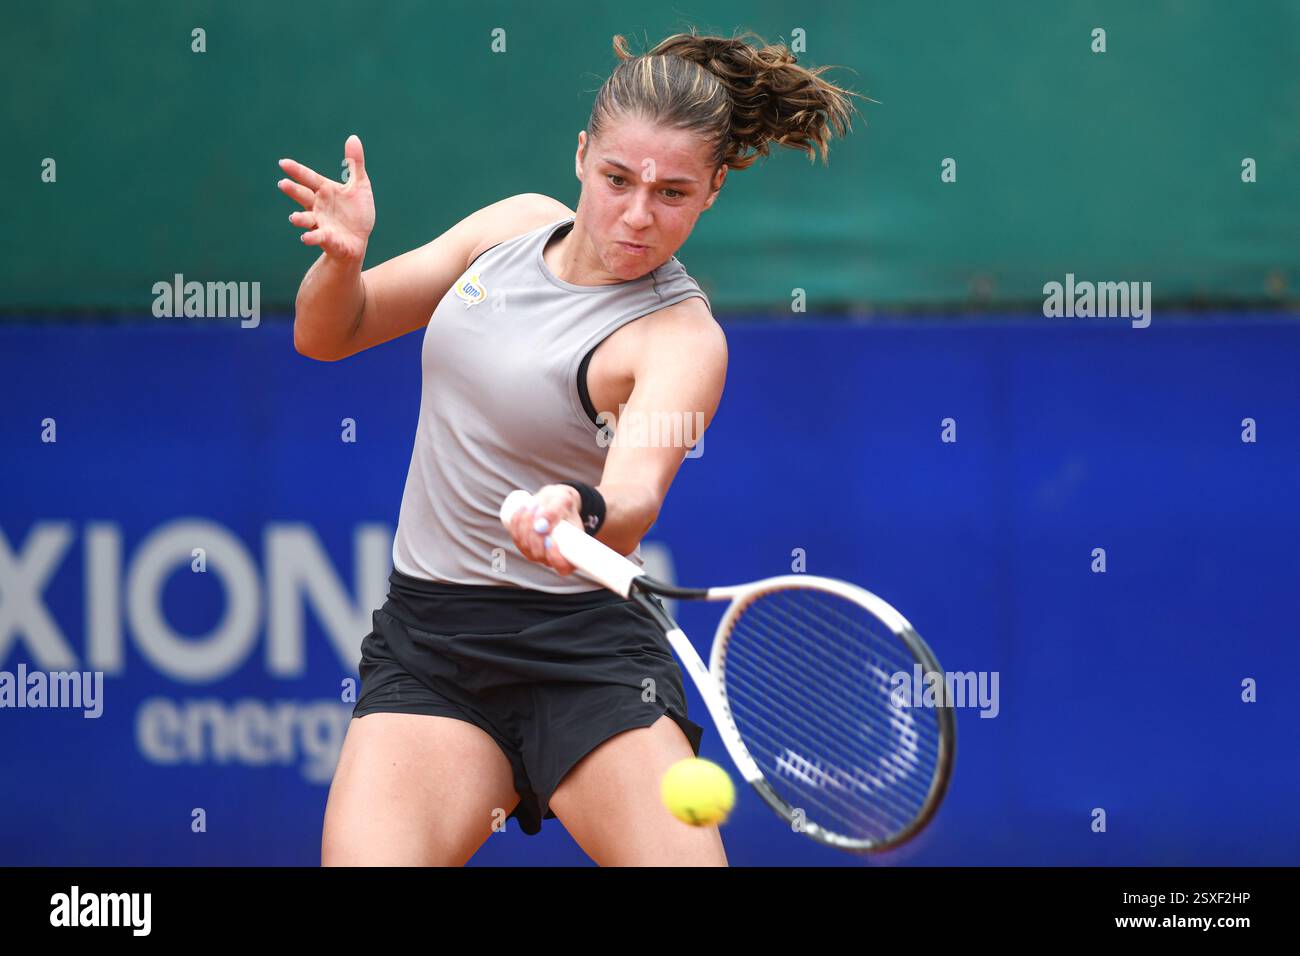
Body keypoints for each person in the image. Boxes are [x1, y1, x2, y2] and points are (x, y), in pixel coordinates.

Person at [278, 28, 860, 866]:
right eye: (618, 179)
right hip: (433, 650)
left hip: (586, 658)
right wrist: (341, 262)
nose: (636, 214)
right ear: (582, 155)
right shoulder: (510, 230)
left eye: (672, 192)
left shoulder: (681, 339)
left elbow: (629, 507)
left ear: (713, 192)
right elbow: (332, 333)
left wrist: (576, 509)